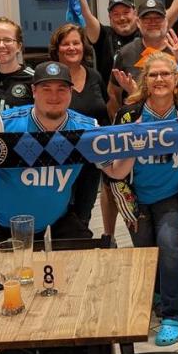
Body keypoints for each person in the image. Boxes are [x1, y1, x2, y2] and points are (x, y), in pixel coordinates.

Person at [0, 62, 109, 253]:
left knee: (80, 267)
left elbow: (115, 171)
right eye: (46, 89)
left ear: (71, 91)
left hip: (55, 221)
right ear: (34, 91)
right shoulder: (3, 123)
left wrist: (139, 135)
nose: (54, 96)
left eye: (61, 89)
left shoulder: (88, 128)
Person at [105, 52, 178, 346]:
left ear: (176, 80)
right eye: (153, 75)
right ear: (144, 81)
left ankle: (172, 314)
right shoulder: (129, 114)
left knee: (170, 249)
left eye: (165, 74)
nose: (159, 79)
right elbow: (114, 164)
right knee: (145, 252)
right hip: (136, 197)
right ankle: (156, 296)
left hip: (171, 195)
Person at [49, 23, 109, 226]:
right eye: (65, 44)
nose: (72, 48)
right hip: (59, 161)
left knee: (83, 216)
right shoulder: (50, 79)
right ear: (57, 49)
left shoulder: (95, 76)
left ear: (84, 47)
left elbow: (105, 114)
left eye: (76, 43)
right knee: (59, 216)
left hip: (90, 161)